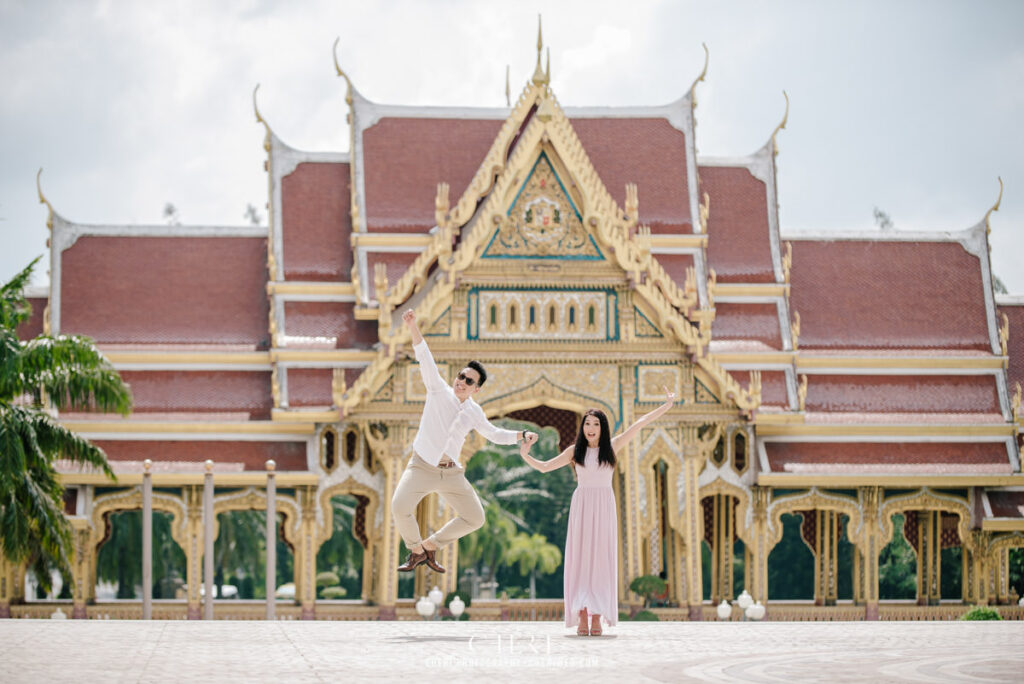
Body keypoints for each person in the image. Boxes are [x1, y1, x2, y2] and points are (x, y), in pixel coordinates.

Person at [392, 308, 538, 574]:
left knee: (475, 518)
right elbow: (424, 357)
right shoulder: (438, 390)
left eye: (468, 380)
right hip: (422, 466)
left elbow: (494, 434)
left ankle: (431, 545)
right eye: (460, 376)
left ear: (476, 389)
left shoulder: (474, 412)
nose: (461, 381)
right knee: (399, 507)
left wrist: (520, 436)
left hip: (451, 473)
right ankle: (415, 551)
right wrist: (412, 325)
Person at [519, 388, 675, 636]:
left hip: (604, 507)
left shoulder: (612, 447)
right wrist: (526, 455)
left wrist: (667, 405)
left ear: (603, 428)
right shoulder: (574, 451)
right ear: (582, 428)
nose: (590, 428)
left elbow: (640, 423)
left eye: (595, 424)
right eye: (587, 424)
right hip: (582, 506)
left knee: (601, 560)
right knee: (581, 560)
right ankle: (581, 615)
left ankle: (597, 618)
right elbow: (546, 467)